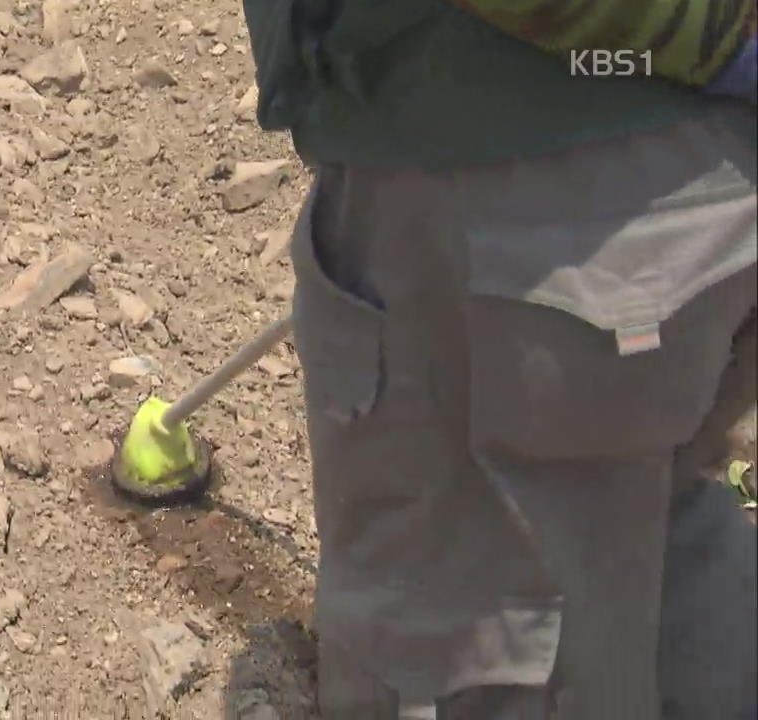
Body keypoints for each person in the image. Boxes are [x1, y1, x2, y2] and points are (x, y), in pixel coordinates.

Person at [241, 1, 757, 718]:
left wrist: (712, 42)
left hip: (525, 195)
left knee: (467, 640)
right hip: (712, 190)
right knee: (655, 530)